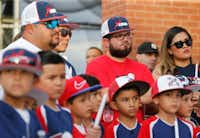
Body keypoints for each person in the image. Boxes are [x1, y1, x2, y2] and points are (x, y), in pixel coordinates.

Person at [86, 16, 154, 103]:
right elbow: (98, 97)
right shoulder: (95, 65)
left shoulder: (142, 68)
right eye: (119, 36)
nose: (125, 39)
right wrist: (139, 99)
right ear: (106, 42)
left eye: (127, 34)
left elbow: (154, 99)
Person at [0, 48, 43, 138]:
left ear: (35, 81)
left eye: (24, 72)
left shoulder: (34, 118)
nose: (17, 77)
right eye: (10, 71)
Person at [34, 51, 72, 137]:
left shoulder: (67, 114)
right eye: (51, 78)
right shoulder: (37, 111)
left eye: (62, 77)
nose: (58, 83)